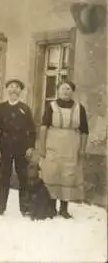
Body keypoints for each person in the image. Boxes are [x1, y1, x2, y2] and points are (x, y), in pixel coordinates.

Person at [40, 80, 89, 218]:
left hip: (72, 146)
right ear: (58, 91)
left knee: (68, 175)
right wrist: (42, 148)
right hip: (53, 145)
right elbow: (43, 127)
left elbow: (85, 130)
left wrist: (82, 149)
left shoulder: (80, 108)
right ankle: (51, 207)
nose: (65, 92)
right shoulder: (51, 106)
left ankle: (64, 208)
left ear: (72, 91)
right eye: (63, 89)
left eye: (68, 89)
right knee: (52, 173)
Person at [0, 78, 36, 216]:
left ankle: (25, 208)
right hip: (4, 148)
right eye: (11, 87)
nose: (14, 89)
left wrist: (30, 147)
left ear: (20, 91)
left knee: (23, 177)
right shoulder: (1, 108)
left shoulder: (25, 109)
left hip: (21, 148)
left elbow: (32, 130)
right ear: (7, 90)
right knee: (3, 177)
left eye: (17, 87)